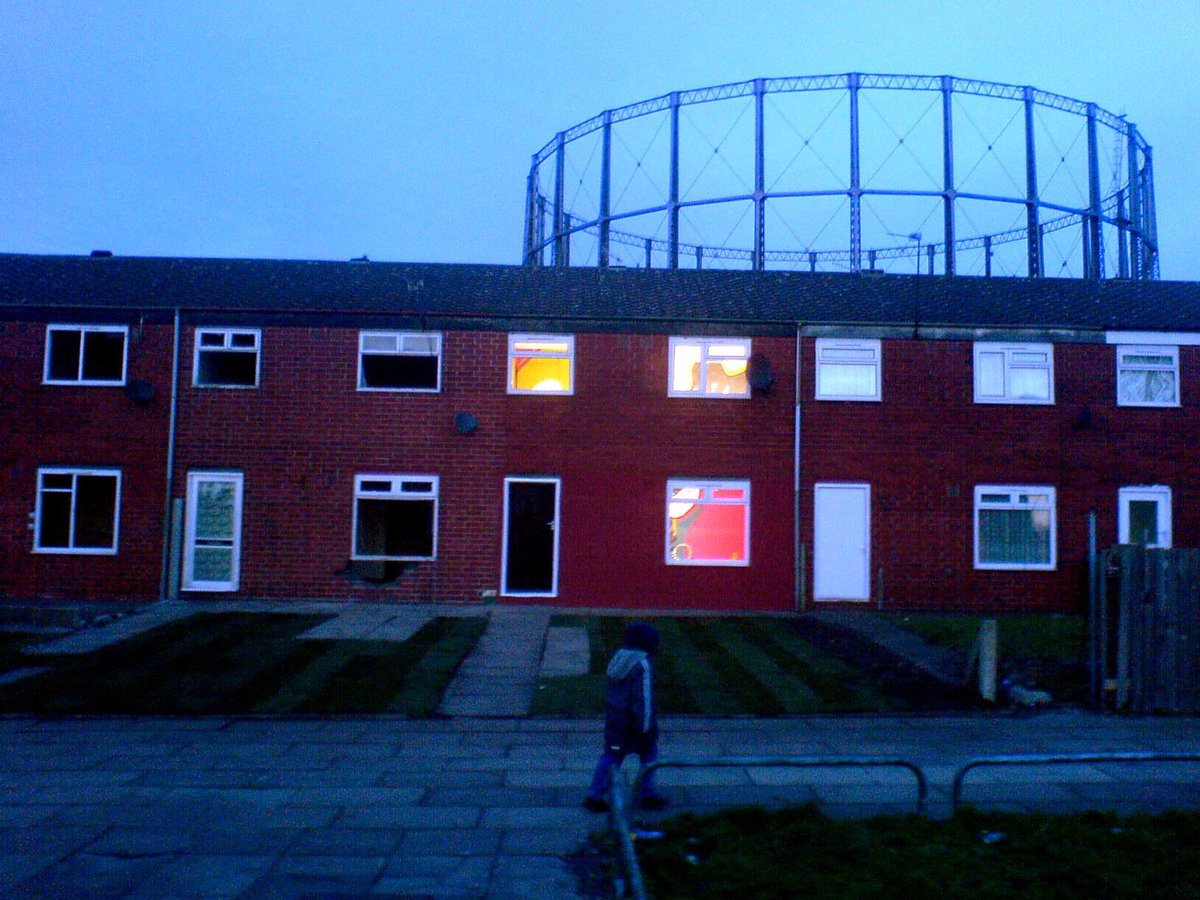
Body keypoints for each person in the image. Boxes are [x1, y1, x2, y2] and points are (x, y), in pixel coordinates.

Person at [582, 621, 668, 812]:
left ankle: (595, 795)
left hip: (616, 722)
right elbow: (643, 700)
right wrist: (645, 728)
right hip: (636, 724)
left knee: (612, 756)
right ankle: (646, 794)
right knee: (649, 754)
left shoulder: (619, 659)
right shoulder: (642, 664)